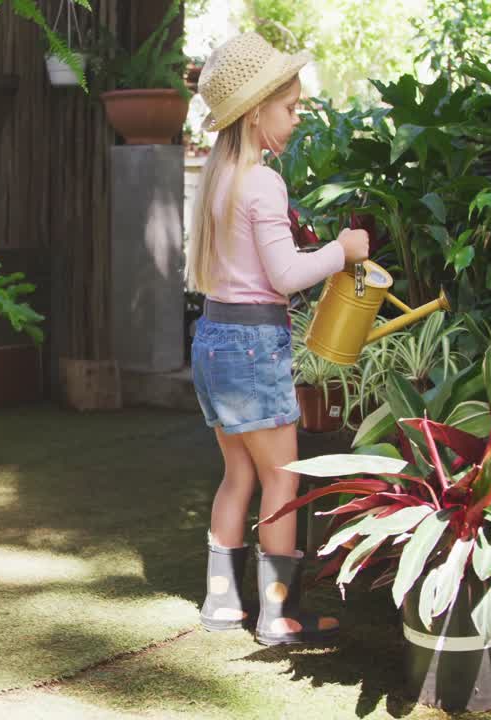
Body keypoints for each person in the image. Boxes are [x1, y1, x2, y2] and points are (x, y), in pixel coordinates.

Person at [187, 33, 369, 646]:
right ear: (256, 110)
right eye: (290, 108)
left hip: (212, 337)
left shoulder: (217, 178)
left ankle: (221, 604)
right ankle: (275, 614)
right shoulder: (261, 183)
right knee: (283, 480)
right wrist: (340, 252)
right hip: (253, 345)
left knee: (238, 473)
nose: (295, 119)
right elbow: (287, 277)